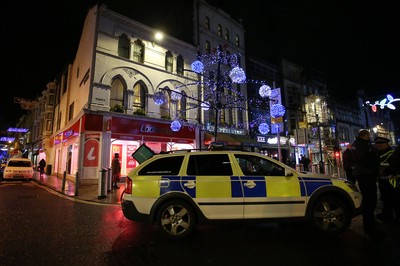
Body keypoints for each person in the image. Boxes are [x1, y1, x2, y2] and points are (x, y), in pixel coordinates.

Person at [351, 129, 380, 233]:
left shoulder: (355, 144)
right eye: (368, 135)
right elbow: (365, 158)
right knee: (370, 198)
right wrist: (374, 165)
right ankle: (369, 222)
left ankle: (369, 220)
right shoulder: (363, 145)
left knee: (368, 197)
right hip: (366, 173)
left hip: (361, 173)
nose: (370, 137)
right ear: (365, 135)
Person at [374, 136, 396, 222]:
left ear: (386, 144)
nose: (379, 145)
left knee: (390, 198)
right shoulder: (379, 153)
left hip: (390, 180)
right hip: (382, 180)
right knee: (384, 198)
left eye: (381, 143)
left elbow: (393, 166)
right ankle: (386, 214)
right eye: (378, 143)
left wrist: (385, 171)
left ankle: (390, 216)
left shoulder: (391, 153)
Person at [388, 145, 400, 223]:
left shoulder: (398, 150)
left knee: (397, 199)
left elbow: (394, 162)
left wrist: (392, 173)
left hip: (397, 178)